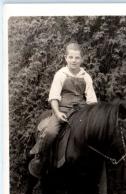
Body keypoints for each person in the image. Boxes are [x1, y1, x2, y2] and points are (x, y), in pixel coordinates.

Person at [29, 42, 98, 178]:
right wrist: (57, 112)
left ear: (82, 59)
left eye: (77, 58)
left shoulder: (86, 76)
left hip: (81, 112)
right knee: (50, 132)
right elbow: (54, 97)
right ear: (66, 58)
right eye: (71, 57)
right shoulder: (61, 74)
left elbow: (91, 100)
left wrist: (92, 117)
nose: (74, 60)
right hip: (63, 110)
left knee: (95, 136)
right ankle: (40, 158)